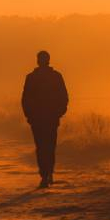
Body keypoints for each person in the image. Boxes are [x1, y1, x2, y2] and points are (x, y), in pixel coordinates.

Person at [21, 50, 69, 188]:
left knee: (41, 147)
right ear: (48, 60)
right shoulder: (55, 76)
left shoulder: (32, 77)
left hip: (39, 119)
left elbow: (25, 100)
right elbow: (64, 97)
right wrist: (59, 113)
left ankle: (45, 174)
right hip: (48, 118)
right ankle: (47, 174)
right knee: (49, 146)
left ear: (38, 61)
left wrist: (29, 115)